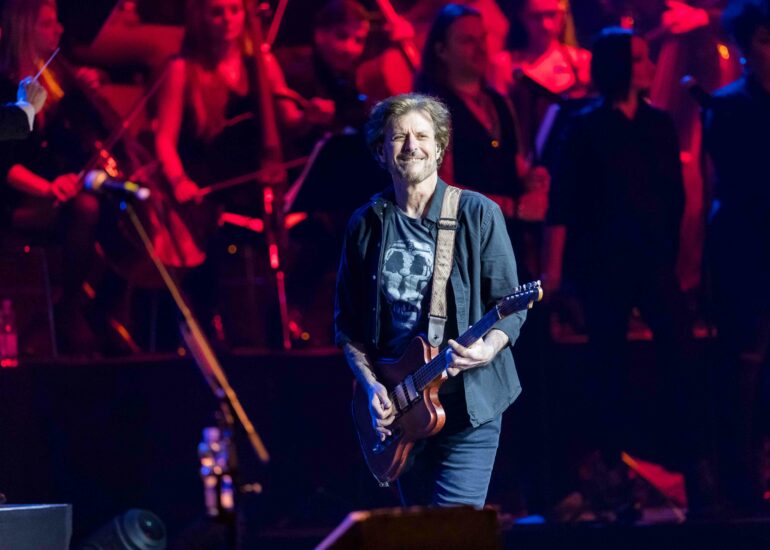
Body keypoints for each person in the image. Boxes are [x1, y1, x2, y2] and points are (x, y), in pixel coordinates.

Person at [542, 27, 712, 514]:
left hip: (652, 261)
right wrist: (555, 271)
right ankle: (612, 470)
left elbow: (673, 195)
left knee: (680, 355)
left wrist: (674, 254)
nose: (649, 65)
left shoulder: (657, 123)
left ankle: (691, 464)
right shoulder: (586, 125)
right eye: (638, 58)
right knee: (608, 364)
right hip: (605, 265)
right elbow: (564, 201)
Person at [334, 93, 526, 508]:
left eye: (422, 136)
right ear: (380, 151)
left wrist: (487, 348)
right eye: (398, 137)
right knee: (420, 533)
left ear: (440, 148)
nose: (411, 146)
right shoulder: (365, 224)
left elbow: (511, 306)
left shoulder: (478, 213)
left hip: (467, 409)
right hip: (401, 411)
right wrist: (371, 386)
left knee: (453, 530)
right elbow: (348, 327)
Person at [414, 3, 549, 281]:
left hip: (505, 244)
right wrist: (512, 207)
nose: (480, 48)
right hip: (459, 250)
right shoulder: (432, 109)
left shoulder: (499, 101)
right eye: (467, 41)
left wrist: (532, 179)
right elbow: (436, 190)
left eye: (482, 39)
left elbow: (513, 163)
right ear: (441, 51)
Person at [0, 0, 103, 353]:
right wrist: (48, 188)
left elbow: (73, 146)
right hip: (15, 200)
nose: (58, 30)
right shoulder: (6, 87)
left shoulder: (52, 81)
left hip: (48, 193)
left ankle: (100, 308)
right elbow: (6, 165)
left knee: (116, 205)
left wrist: (85, 95)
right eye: (47, 24)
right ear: (25, 30)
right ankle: (69, 307)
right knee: (85, 210)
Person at [703, 0, 770, 515]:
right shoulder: (728, 105)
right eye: (766, 41)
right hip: (746, 250)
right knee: (742, 367)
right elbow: (735, 183)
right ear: (746, 47)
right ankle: (740, 480)